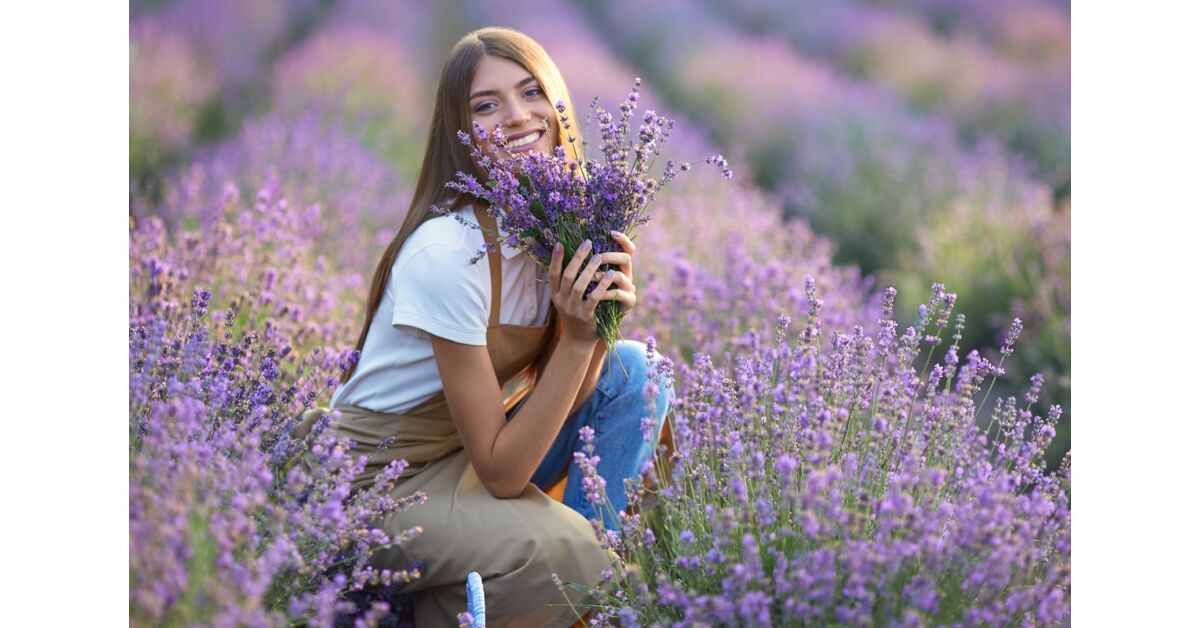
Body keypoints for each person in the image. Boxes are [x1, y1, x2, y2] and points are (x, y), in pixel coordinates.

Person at [295, 26, 674, 627]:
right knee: (566, 550)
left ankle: (575, 600)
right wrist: (577, 338)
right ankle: (544, 582)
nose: (519, 117)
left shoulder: (561, 226)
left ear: (558, 106)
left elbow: (567, 394)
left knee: (638, 371)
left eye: (531, 93)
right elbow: (502, 473)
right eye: (486, 105)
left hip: (469, 448)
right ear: (462, 135)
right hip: (380, 482)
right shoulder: (449, 252)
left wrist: (599, 327)